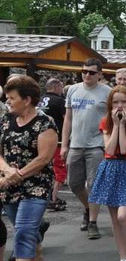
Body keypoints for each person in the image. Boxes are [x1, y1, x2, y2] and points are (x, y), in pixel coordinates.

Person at [0, 76, 57, 261]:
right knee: (26, 230)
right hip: (8, 185)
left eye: (12, 98)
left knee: (23, 230)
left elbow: (44, 158)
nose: (8, 101)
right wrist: (5, 171)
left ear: (27, 99)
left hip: (36, 185)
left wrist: (18, 174)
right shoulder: (5, 120)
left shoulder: (46, 123)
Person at [88, 86, 126, 261]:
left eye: (123, 102)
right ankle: (122, 259)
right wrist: (115, 124)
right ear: (110, 104)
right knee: (113, 217)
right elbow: (111, 149)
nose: (119, 106)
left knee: (123, 216)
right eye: (115, 102)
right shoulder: (105, 122)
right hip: (111, 167)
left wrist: (122, 125)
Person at [61, 57, 111, 239]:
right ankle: (88, 208)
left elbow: (111, 119)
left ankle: (93, 222)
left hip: (96, 145)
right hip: (75, 144)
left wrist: (109, 142)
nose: (86, 75)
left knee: (94, 184)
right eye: (84, 71)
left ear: (99, 74)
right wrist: (64, 144)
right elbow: (68, 118)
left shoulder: (107, 92)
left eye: (91, 72)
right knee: (74, 184)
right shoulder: (73, 90)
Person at [38, 78, 67, 211]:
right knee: (59, 169)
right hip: (57, 139)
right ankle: (53, 198)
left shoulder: (40, 100)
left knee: (45, 167)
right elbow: (67, 118)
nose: (62, 90)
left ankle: (47, 195)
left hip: (40, 140)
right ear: (56, 87)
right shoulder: (60, 101)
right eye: (61, 87)